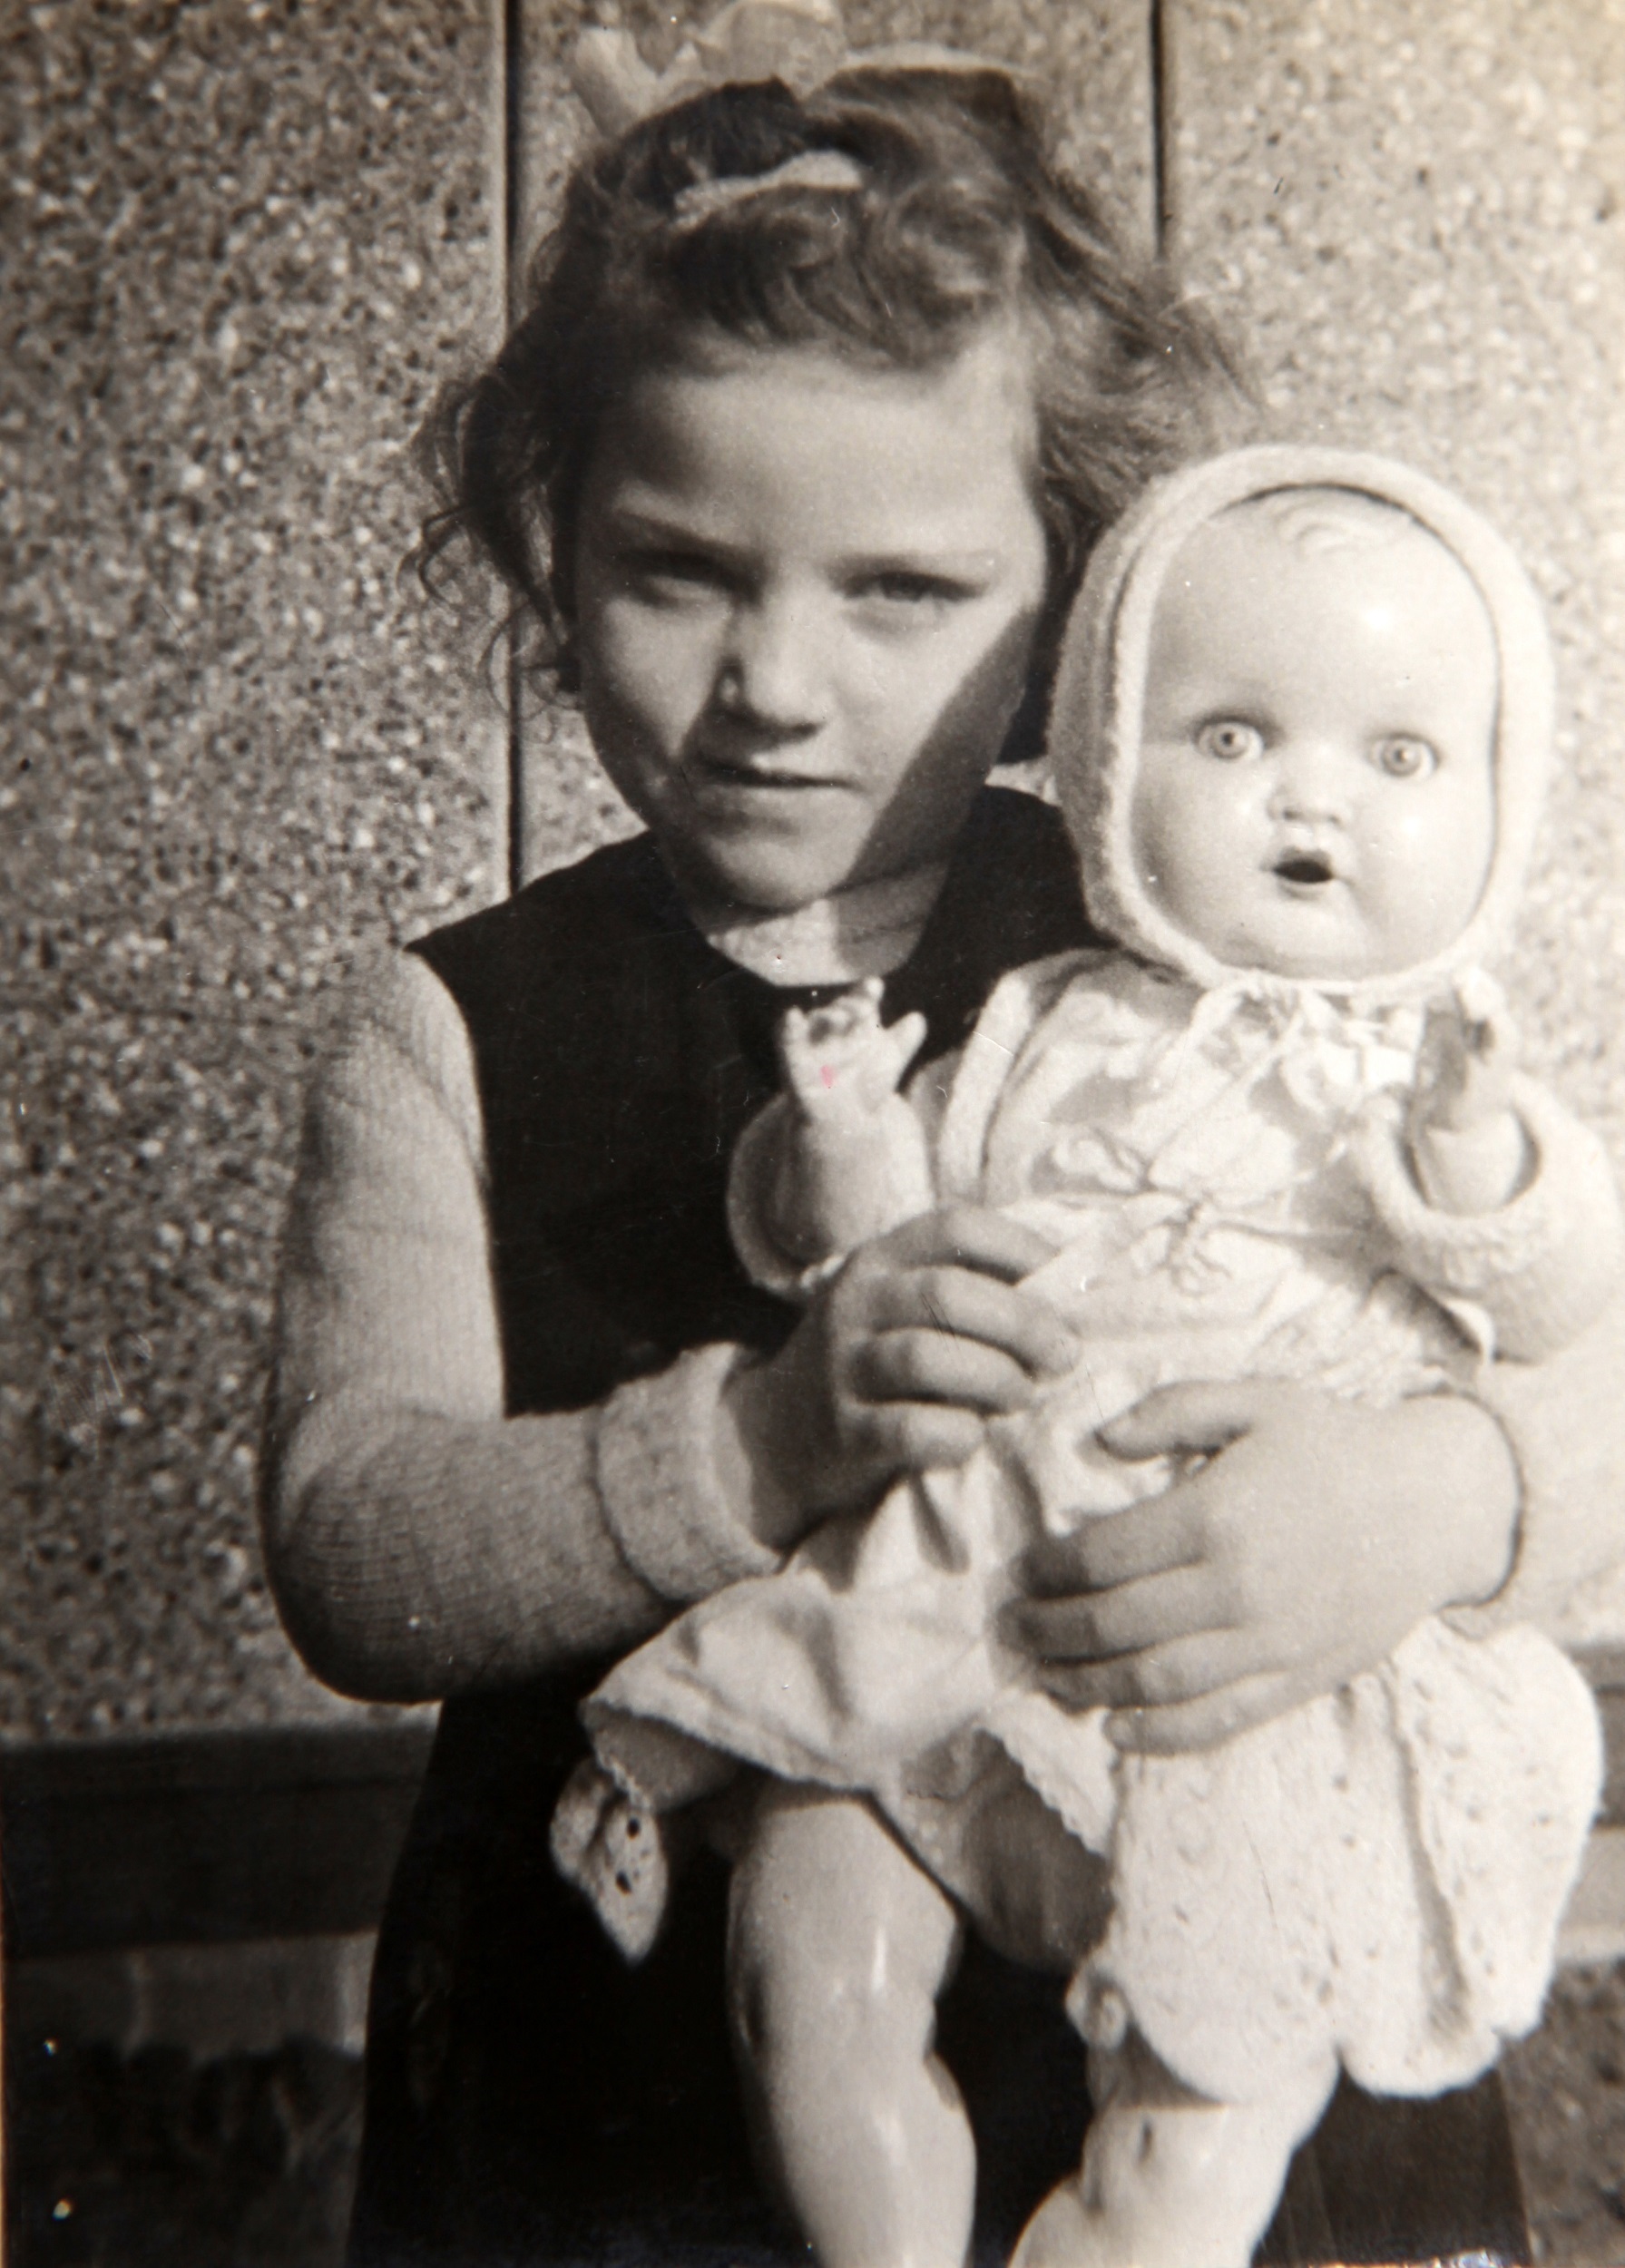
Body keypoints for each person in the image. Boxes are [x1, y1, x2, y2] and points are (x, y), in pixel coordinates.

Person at [258, 8, 1625, 2261]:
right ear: (546, 541)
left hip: (1213, 1994)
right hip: (627, 2094)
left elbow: (1584, 1357)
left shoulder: (1228, 941)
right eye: (677, 566)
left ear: (1085, 585)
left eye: (899, 589)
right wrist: (756, 1448)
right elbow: (354, 1539)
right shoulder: (457, 1030)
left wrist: (1429, 1492)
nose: (775, 678)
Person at [561, 449, 1616, 2268]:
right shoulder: (1042, 1016)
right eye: (1227, 737)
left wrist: (1473, 1158)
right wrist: (842, 1142)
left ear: (1500, 804)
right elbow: (887, 1255)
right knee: (805, 1947)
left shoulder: (1446, 1072)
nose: (1307, 800)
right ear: (1102, 749)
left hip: (1268, 1685)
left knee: (1213, 2088)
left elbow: (1553, 1302)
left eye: (1397, 757)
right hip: (975, 1593)